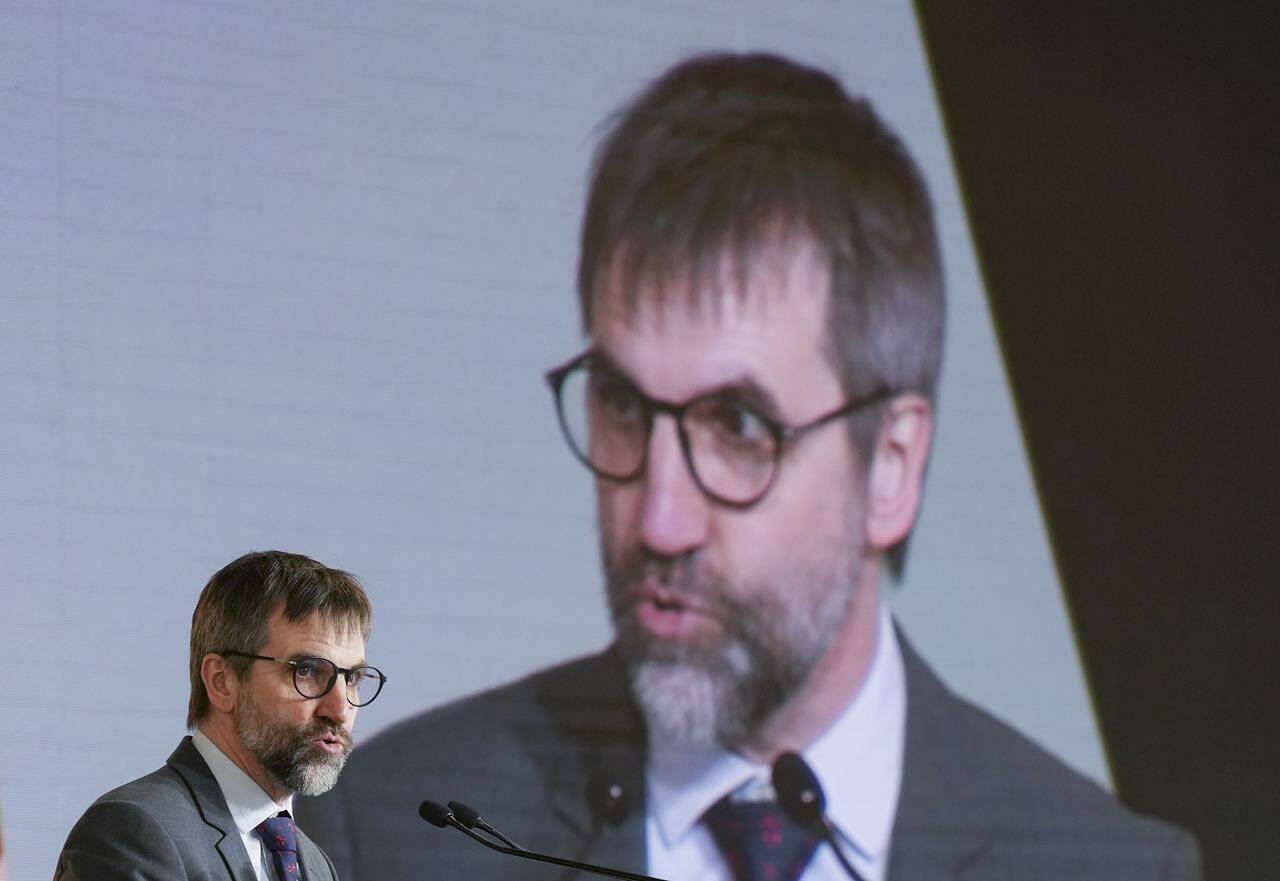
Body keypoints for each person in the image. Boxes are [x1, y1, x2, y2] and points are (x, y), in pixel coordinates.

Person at [297, 52, 1200, 881]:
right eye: (621, 404)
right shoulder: (394, 833)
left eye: (736, 425)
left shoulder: (1109, 866)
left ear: (890, 466)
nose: (657, 519)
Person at [54, 550, 386, 881]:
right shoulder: (132, 832)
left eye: (353, 678)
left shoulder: (315, 865)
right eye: (307, 671)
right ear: (221, 681)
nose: (340, 710)